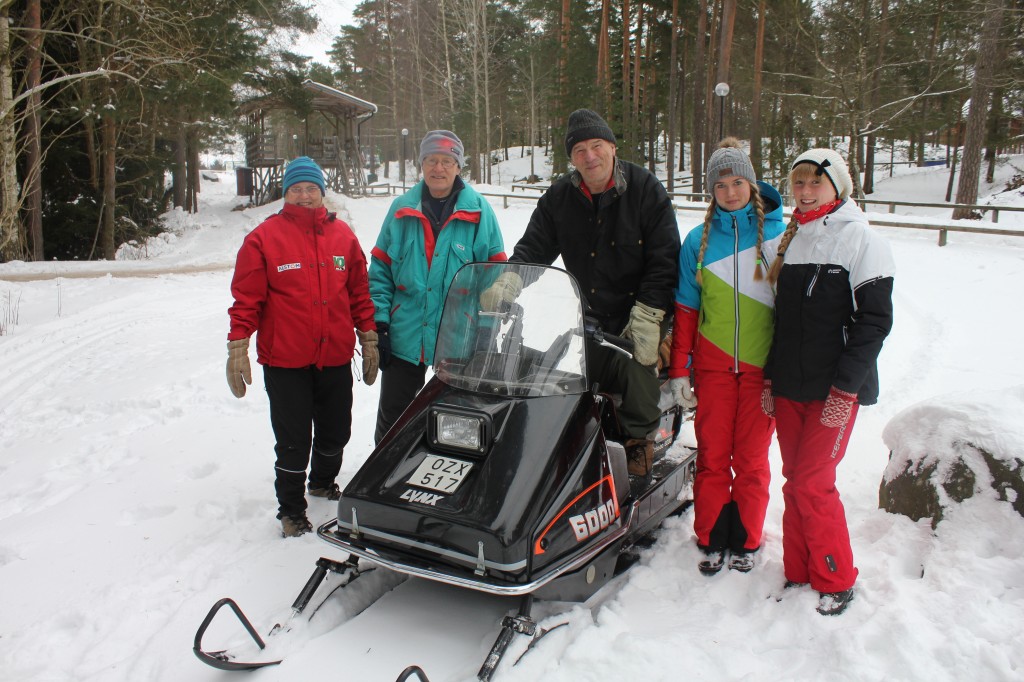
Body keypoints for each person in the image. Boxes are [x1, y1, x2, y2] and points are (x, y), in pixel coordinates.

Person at [483, 109, 679, 480]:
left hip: (642, 311)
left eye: (596, 146)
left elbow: (664, 259)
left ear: (612, 147)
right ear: (571, 158)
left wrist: (650, 314)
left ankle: (640, 440)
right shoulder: (560, 198)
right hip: (590, 313)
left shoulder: (645, 189)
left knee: (636, 366)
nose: (589, 157)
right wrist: (509, 281)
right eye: (579, 151)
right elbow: (533, 249)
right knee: (556, 367)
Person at [763, 148, 895, 615]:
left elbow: (873, 324)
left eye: (814, 182)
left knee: (814, 482)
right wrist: (770, 379)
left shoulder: (863, 241)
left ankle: (836, 577)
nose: (803, 190)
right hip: (790, 385)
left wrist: (845, 390)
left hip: (834, 389)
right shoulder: (792, 239)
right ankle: (799, 570)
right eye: (797, 182)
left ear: (837, 186)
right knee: (794, 479)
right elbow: (784, 321)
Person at [225, 156, 379, 538]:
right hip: (285, 360)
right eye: (297, 189)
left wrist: (369, 337)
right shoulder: (263, 239)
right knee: (293, 441)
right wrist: (238, 346)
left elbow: (360, 291)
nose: (305, 195)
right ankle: (291, 510)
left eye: (312, 188)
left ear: (322, 193)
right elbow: (247, 299)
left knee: (335, 432)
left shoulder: (343, 237)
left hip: (335, 357)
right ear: (286, 193)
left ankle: (323, 482)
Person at [669, 138, 786, 576]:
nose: (731, 192)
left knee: (752, 460)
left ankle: (747, 538)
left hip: (762, 372)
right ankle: (712, 535)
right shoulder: (697, 241)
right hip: (714, 369)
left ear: (752, 185)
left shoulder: (778, 237)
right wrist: (680, 368)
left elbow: (788, 310)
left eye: (738, 182)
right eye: (721, 185)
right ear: (711, 191)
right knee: (714, 456)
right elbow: (686, 310)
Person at [368, 130, 506, 444]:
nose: (438, 168)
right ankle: (385, 474)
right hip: (406, 334)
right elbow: (381, 272)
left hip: (460, 336)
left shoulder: (479, 212)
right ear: (422, 165)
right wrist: (381, 324)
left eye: (446, 161)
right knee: (394, 417)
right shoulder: (402, 209)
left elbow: (495, 274)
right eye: (432, 160)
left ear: (458, 167)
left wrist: (487, 329)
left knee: (458, 420)